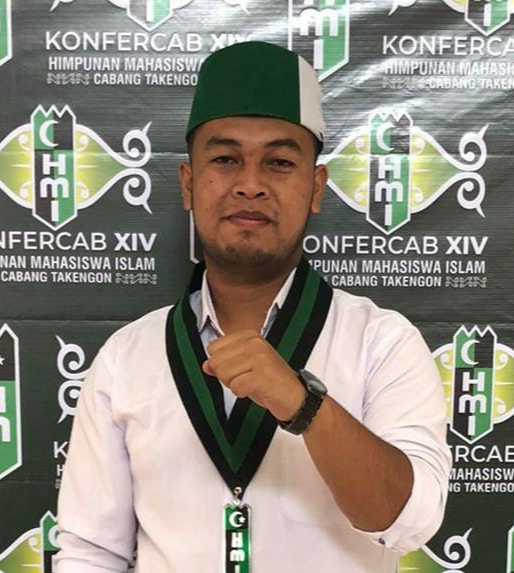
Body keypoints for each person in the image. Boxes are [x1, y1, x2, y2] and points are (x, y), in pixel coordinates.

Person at [55, 41, 450, 572]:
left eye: (279, 162)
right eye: (225, 159)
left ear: (316, 187)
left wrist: (304, 405)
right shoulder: (126, 357)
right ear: (188, 184)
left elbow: (410, 522)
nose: (250, 185)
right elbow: (90, 554)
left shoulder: (380, 341)